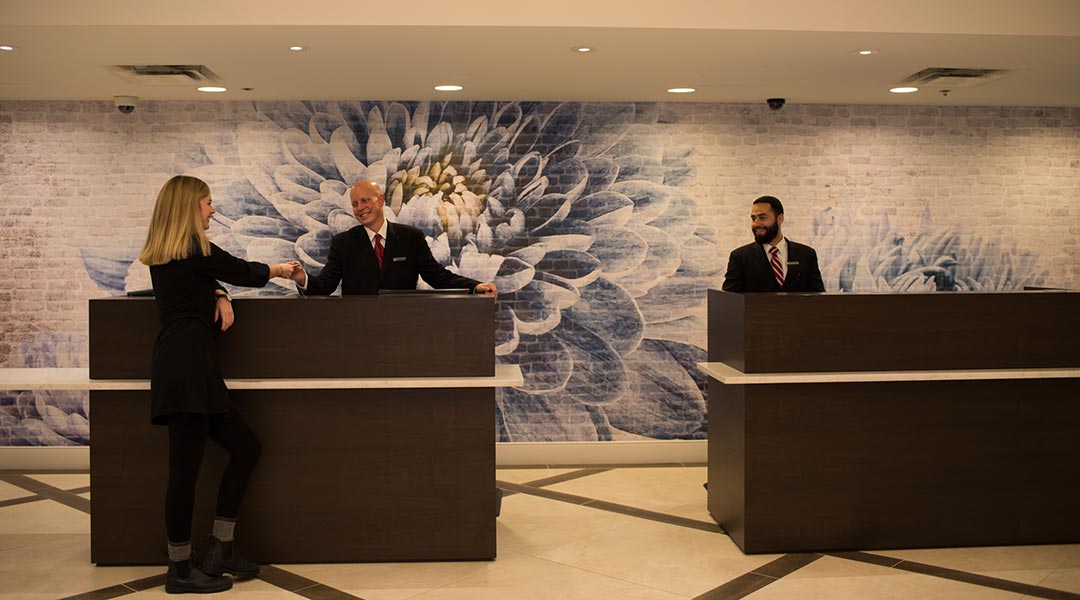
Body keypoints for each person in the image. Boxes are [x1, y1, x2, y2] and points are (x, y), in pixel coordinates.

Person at [138, 175, 299, 594]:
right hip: (186, 369)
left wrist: (218, 294)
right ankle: (179, 569)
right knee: (184, 473)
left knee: (246, 449)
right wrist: (283, 269)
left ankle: (220, 548)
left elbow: (208, 279)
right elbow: (240, 269)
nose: (213, 210)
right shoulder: (195, 248)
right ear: (190, 207)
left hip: (189, 366)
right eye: (208, 203)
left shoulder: (174, 255)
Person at [289, 179, 498, 297]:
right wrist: (302, 279)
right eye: (355, 204)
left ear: (380, 200)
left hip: (402, 329)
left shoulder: (411, 237)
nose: (360, 208)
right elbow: (326, 285)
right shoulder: (343, 243)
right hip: (356, 330)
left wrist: (474, 286)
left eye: (365, 200)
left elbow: (437, 276)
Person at [722, 195, 825, 293]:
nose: (756, 224)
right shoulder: (740, 257)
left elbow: (819, 299)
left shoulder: (806, 255)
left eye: (762, 217)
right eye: (753, 218)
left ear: (780, 219)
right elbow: (729, 301)